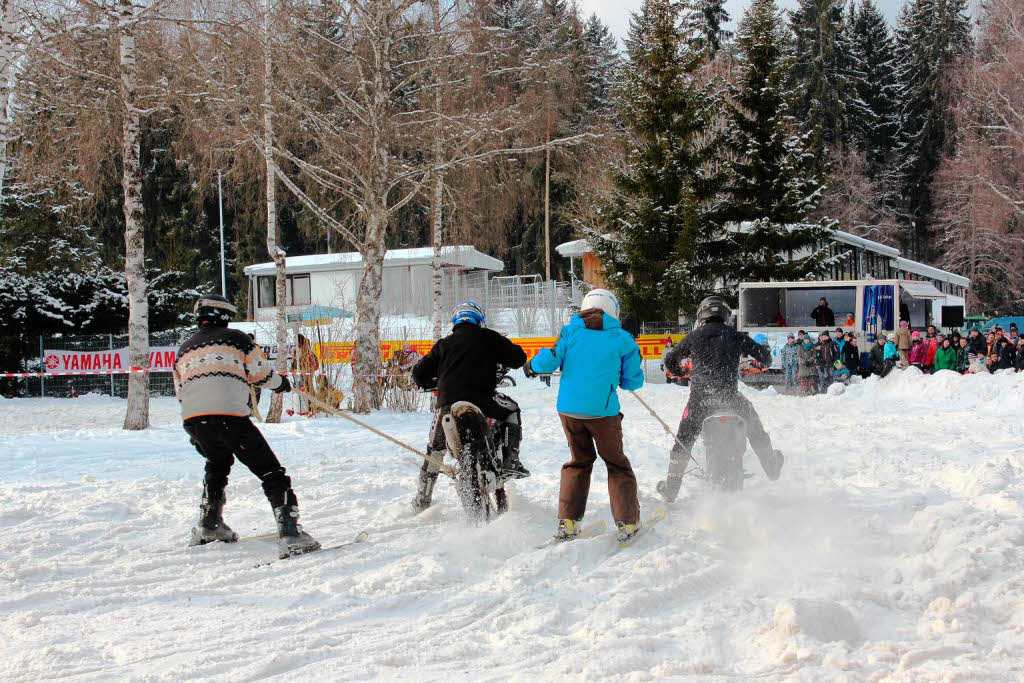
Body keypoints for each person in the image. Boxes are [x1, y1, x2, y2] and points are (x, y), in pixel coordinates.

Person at [174, 295, 319, 557]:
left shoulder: (184, 349)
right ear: (225, 316)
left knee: (217, 465)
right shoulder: (238, 339)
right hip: (230, 418)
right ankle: (291, 532)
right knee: (271, 472)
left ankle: (209, 523)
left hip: (194, 421)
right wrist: (282, 384)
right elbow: (261, 374)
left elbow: (181, 391)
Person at [524, 289, 645, 544]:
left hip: (569, 410)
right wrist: (619, 376)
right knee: (616, 463)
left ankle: (568, 522)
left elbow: (549, 361)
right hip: (602, 412)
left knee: (579, 461)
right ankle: (628, 522)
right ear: (613, 310)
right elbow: (634, 381)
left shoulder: (570, 332)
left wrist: (531, 366)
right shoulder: (622, 338)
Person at [659, 296, 784, 503]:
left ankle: (671, 488)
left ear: (702, 314)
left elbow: (670, 359)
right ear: (725, 314)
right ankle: (771, 466)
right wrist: (761, 354)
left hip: (699, 400)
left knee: (683, 440)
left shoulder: (694, 336)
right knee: (754, 426)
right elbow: (765, 358)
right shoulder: (735, 335)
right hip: (730, 398)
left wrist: (680, 370)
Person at [410, 301, 528, 513]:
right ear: (479, 320)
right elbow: (519, 358)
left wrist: (431, 382)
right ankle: (511, 461)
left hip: (446, 407)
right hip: (483, 401)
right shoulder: (490, 337)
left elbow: (418, 374)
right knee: (512, 409)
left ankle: (422, 498)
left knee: (435, 449)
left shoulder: (443, 344)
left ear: (455, 321)